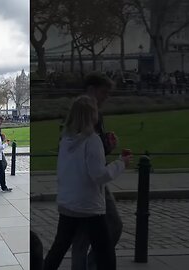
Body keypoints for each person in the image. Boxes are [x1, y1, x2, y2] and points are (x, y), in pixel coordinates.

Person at [43, 96, 131, 270]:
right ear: (92, 115)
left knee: (59, 248)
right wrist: (121, 163)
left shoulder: (66, 140)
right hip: (89, 207)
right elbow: (99, 175)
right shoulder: (92, 140)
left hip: (68, 203)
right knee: (105, 251)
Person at [71, 72, 124, 270]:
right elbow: (81, 148)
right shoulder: (83, 113)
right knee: (111, 226)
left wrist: (106, 145)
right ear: (91, 90)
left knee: (81, 237)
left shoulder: (93, 114)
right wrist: (119, 161)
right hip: (90, 181)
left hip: (86, 181)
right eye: (104, 92)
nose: (106, 97)